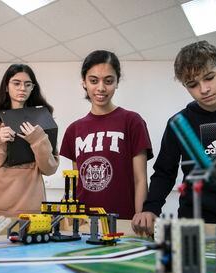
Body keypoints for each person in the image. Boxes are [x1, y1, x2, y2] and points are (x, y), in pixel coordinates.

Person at [133, 40, 216, 235]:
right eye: (193, 84)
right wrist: (150, 208)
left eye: (209, 78)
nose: (203, 89)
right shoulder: (179, 123)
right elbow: (164, 173)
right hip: (194, 225)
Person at [60, 50, 153, 220]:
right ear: (84, 82)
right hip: (84, 223)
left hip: (123, 221)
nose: (101, 88)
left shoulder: (132, 121)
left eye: (108, 81)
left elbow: (140, 180)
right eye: (93, 81)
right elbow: (78, 181)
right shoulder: (74, 129)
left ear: (117, 82)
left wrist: (139, 217)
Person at [0, 64, 59, 217]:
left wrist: (38, 140)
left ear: (33, 88)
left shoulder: (44, 120)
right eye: (16, 83)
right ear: (6, 86)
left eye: (27, 84)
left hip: (30, 208)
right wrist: (0, 143)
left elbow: (50, 169)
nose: (22, 88)